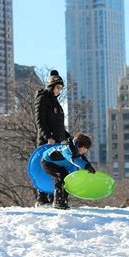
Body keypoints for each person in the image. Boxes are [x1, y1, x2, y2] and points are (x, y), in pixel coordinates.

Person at [34, 69, 70, 207]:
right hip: (47, 141)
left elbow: (58, 125)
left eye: (61, 88)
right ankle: (42, 198)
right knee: (44, 168)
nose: (59, 90)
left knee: (56, 169)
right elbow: (40, 120)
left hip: (58, 142)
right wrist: (48, 136)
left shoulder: (56, 103)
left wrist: (67, 137)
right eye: (57, 87)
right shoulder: (42, 99)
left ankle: (52, 197)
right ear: (51, 86)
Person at [41, 133, 95, 209]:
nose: (85, 151)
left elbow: (82, 158)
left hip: (56, 164)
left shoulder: (76, 149)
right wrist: (85, 166)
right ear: (82, 147)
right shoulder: (67, 149)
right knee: (60, 179)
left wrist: (89, 166)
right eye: (86, 149)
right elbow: (73, 159)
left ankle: (63, 201)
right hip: (47, 162)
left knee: (66, 179)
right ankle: (58, 202)